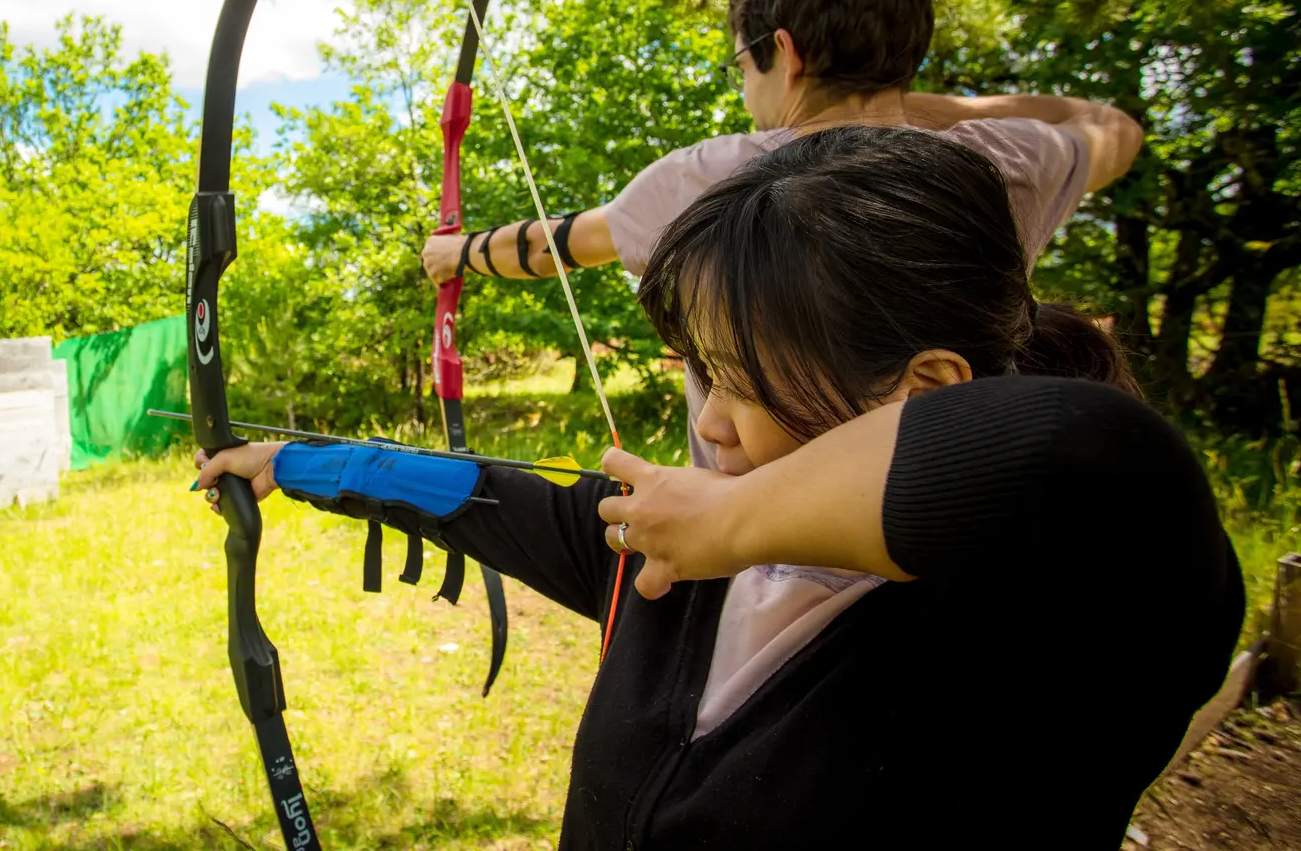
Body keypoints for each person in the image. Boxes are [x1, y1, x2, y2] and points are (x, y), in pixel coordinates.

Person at [198, 128, 1243, 849]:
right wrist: (295, 465)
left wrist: (733, 520)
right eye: (706, 374)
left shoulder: (1056, 616)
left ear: (924, 388)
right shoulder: (680, 563)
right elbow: (486, 497)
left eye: (746, 382)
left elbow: (1086, 449)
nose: (708, 424)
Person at [421, 0, 1143, 471]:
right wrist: (917, 102)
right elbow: (1113, 128)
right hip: (938, 514)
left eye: (744, 62)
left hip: (750, 545)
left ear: (786, 54)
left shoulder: (715, 176)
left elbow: (556, 246)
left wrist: (458, 254)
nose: (745, 85)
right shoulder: (1002, 161)